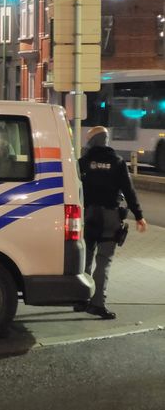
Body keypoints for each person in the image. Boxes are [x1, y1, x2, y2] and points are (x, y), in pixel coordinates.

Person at [76, 126, 147, 319]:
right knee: (104, 261)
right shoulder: (117, 162)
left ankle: (81, 299)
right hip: (110, 216)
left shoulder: (82, 162)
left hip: (87, 216)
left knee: (86, 258)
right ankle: (97, 304)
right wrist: (139, 216)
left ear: (92, 141)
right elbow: (129, 190)